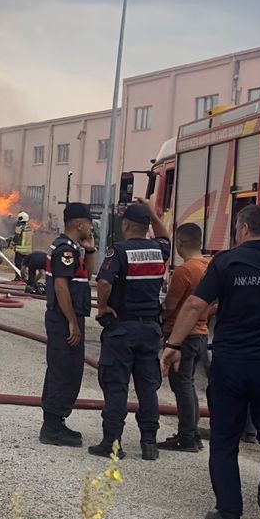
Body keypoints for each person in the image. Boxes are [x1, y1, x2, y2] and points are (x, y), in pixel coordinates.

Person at [162, 202, 260, 519]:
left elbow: (196, 304)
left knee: (224, 440)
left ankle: (228, 513)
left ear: (242, 229)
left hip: (231, 365)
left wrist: (173, 345)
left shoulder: (226, 261)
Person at [89, 197, 170, 461]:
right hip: (150, 330)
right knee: (148, 388)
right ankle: (149, 443)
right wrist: (152, 213)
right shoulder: (159, 249)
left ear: (125, 225)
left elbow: (103, 282)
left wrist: (102, 308)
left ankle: (112, 443)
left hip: (122, 328)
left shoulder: (119, 251)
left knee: (116, 386)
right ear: (146, 225)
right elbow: (164, 235)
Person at [39, 202, 96, 446]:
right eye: (90, 225)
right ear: (79, 224)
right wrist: (72, 322)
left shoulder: (73, 248)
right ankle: (52, 428)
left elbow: (87, 276)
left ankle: (57, 422)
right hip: (63, 320)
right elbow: (61, 287)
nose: (92, 229)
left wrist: (91, 251)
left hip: (69, 318)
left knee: (71, 370)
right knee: (63, 370)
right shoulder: (65, 249)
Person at [160, 222, 210, 451]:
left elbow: (170, 306)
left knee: (182, 387)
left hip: (182, 337)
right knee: (188, 386)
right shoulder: (209, 267)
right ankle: (191, 433)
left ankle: (187, 436)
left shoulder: (184, 271)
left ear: (179, 243)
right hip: (201, 335)